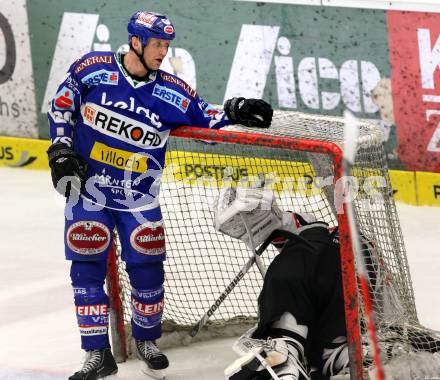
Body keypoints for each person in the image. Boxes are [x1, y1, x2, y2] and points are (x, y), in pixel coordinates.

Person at [46, 11, 273, 380]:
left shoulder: (172, 90)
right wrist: (60, 148)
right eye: (157, 45)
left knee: (148, 274)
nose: (163, 52)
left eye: (167, 45)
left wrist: (236, 109)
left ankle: (146, 342)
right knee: (86, 271)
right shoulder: (93, 69)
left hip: (139, 199)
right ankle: (96, 354)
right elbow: (62, 105)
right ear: (136, 41)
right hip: (89, 193)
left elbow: (206, 114)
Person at [214, 183, 372, 380]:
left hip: (322, 277)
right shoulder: (325, 242)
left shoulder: (309, 246)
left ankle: (287, 353)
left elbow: (294, 226)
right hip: (344, 328)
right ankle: (327, 353)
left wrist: (271, 216)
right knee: (325, 347)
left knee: (287, 279)